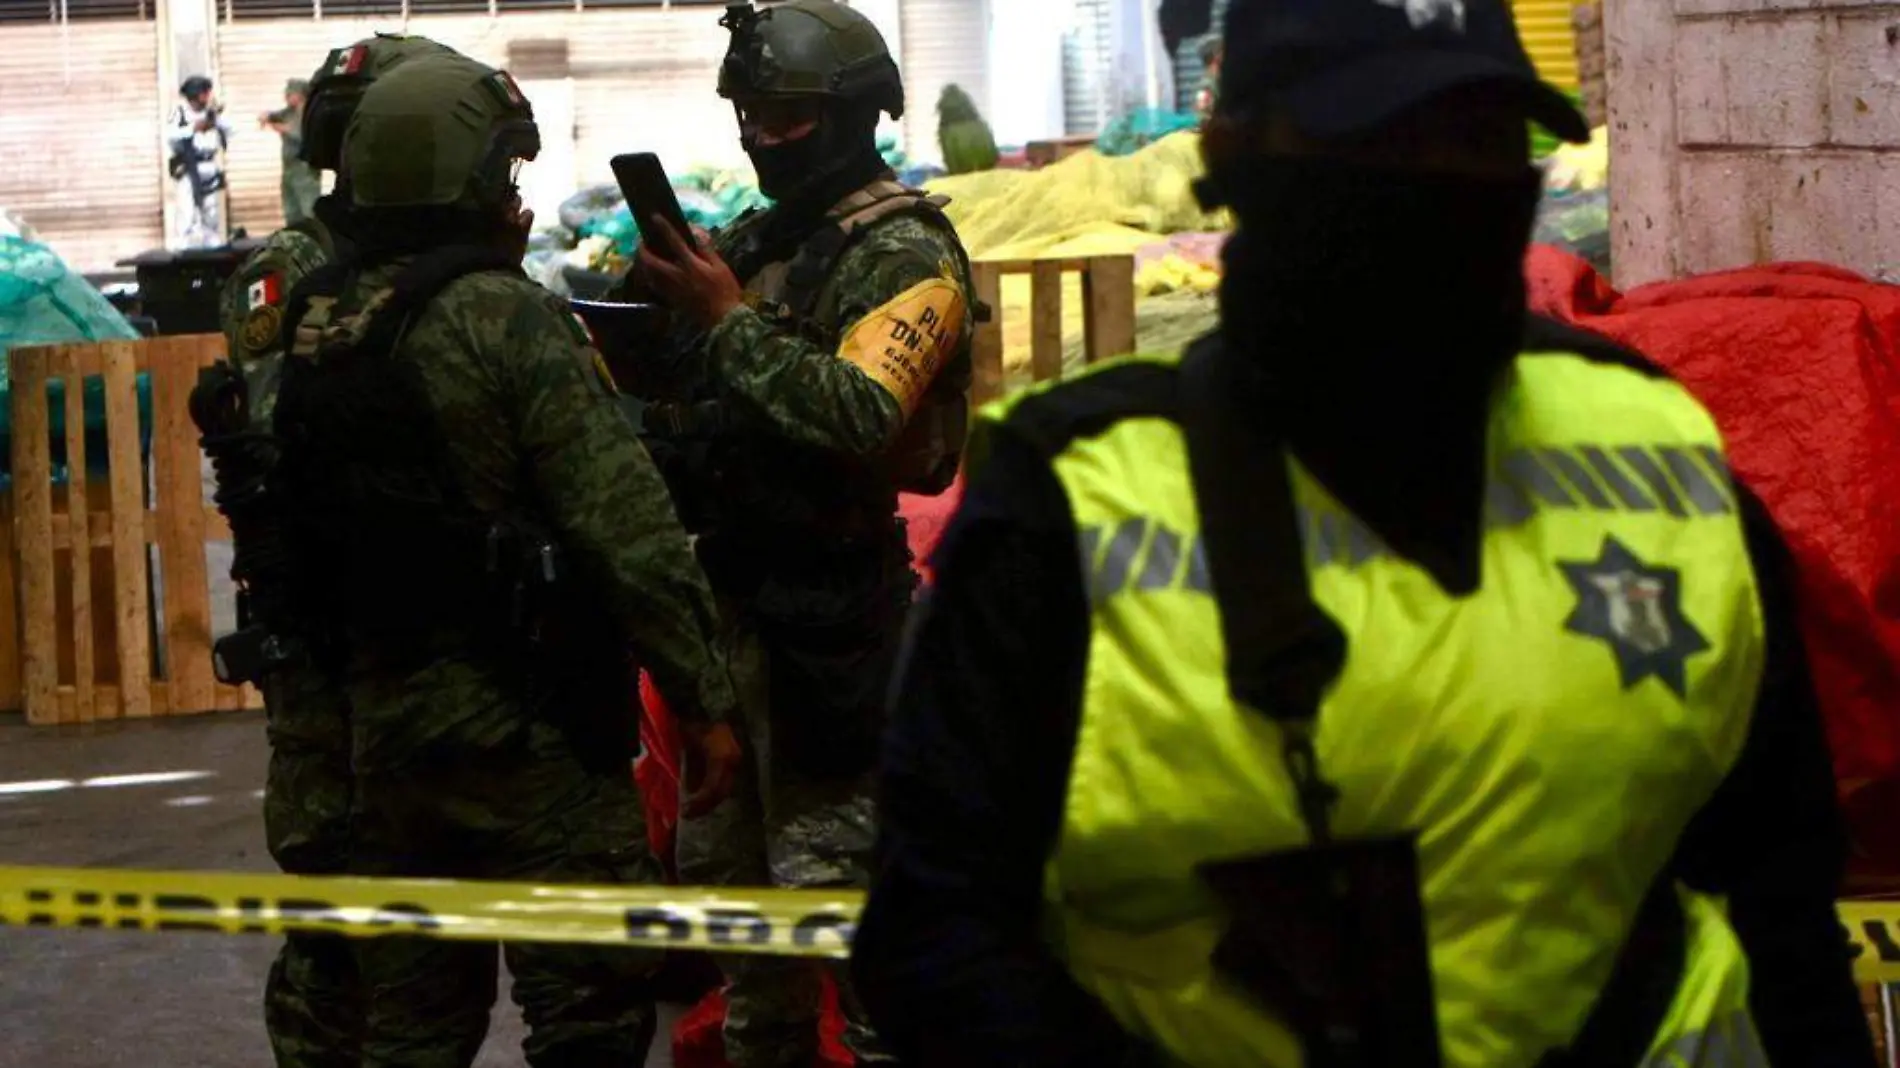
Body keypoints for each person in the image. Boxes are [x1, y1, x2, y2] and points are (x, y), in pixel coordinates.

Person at [851, 0, 1878, 1065]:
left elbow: (1780, 898)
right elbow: (939, 938)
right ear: (1234, 163)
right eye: (1373, 145)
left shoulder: (1655, 447)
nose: (1431, 187)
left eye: (1474, 143)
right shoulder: (1071, 502)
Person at [269, 51, 741, 1067]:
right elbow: (626, 526)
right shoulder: (506, 317)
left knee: (414, 1024)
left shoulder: (314, 320)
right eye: (507, 178)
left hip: (382, 742)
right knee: (589, 1015)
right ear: (475, 184)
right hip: (533, 737)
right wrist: (701, 698)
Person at [613, 1, 974, 1064]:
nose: (760, 136)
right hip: (729, 619)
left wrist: (727, 321)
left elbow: (863, 414)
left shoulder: (906, 252)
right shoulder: (765, 242)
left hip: (834, 630)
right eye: (748, 112)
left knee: (861, 945)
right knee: (746, 947)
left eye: (784, 113)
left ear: (853, 114)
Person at [206, 34, 460, 1068]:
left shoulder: (319, 269)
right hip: (365, 627)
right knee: (367, 905)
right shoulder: (323, 275)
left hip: (369, 626)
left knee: (360, 896)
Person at [168, 75, 233, 248]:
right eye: (204, 93)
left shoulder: (212, 112)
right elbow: (172, 137)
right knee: (187, 212)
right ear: (195, 95)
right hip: (189, 167)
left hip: (209, 166)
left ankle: (212, 251)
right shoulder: (180, 113)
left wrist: (215, 120)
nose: (207, 96)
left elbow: (230, 130)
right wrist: (194, 128)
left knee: (211, 213)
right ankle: (182, 251)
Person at [260, 78, 322, 226]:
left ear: (300, 95)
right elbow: (275, 115)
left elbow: (298, 133)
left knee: (309, 210)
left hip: (304, 169)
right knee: (291, 210)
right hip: (289, 169)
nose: (286, 97)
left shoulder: (308, 112)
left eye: (290, 94)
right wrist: (266, 117)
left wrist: (277, 126)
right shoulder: (289, 112)